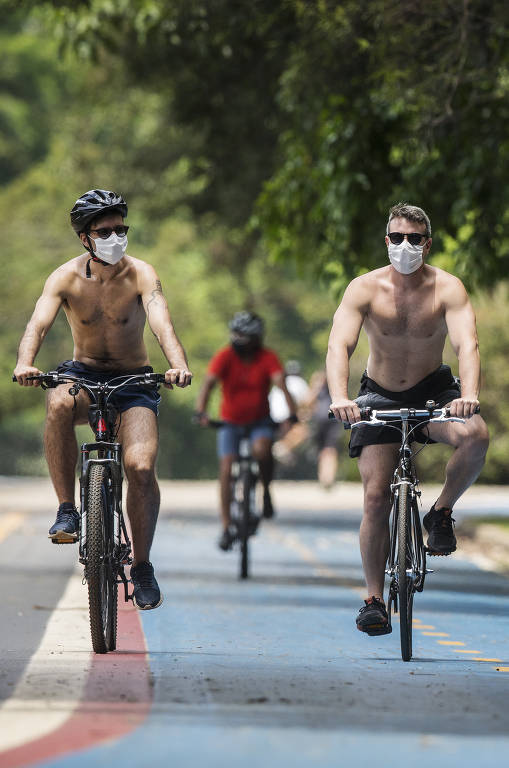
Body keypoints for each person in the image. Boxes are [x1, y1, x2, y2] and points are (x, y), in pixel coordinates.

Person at [13, 189, 192, 610]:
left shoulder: (142, 273)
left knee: (141, 466)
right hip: (83, 372)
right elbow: (38, 323)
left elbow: (161, 320)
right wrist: (25, 363)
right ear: (84, 238)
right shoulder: (64, 277)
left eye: (120, 229)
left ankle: (143, 566)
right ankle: (66, 509)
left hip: (134, 379)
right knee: (57, 402)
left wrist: (178, 364)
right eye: (104, 231)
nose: (115, 237)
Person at [327, 202, 489, 636]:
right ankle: (373, 599)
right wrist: (341, 396)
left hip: (434, 392)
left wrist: (468, 396)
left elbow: (467, 345)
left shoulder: (447, 288)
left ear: (427, 243)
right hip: (377, 394)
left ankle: (439, 513)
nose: (405, 246)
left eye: (414, 239)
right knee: (376, 497)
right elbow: (339, 345)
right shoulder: (363, 288)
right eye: (397, 238)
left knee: (475, 436)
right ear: (386, 241)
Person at [195, 311, 297, 551]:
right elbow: (208, 384)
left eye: (244, 336)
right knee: (226, 467)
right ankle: (226, 526)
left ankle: (266, 491)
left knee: (263, 450)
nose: (238, 340)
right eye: (236, 334)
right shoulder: (225, 357)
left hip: (260, 421)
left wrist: (291, 414)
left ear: (255, 338)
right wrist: (201, 411)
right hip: (230, 422)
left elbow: (281, 384)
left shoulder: (267, 357)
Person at [307, 370, 341, 489]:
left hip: (332, 420)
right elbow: (308, 402)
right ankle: (324, 478)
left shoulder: (334, 383)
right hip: (320, 421)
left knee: (329, 450)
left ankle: (328, 478)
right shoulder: (319, 382)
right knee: (323, 450)